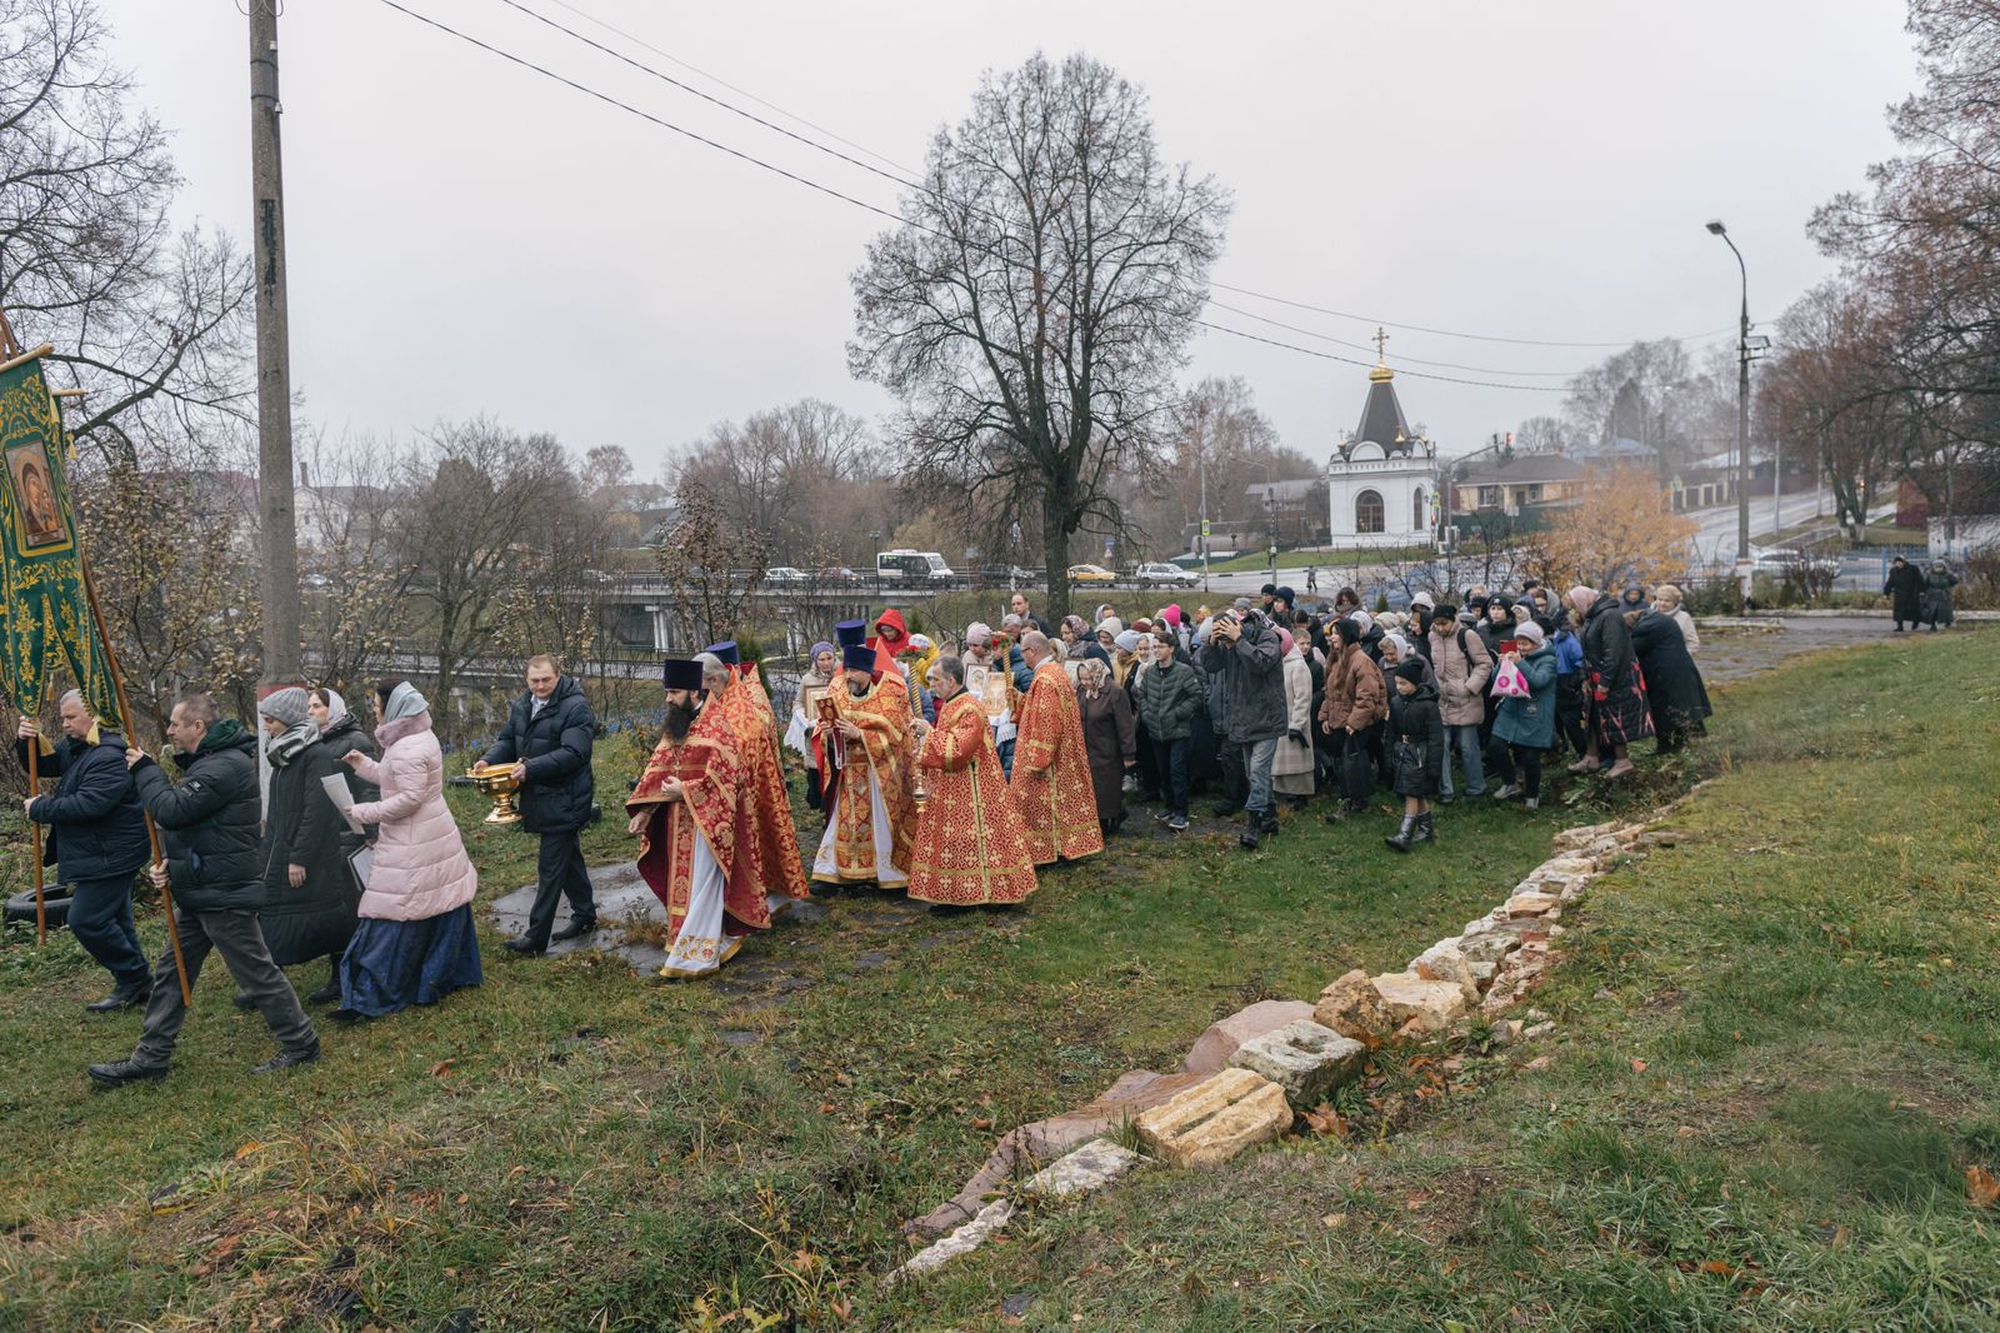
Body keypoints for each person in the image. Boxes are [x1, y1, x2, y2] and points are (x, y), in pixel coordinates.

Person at [95, 694, 318, 1086]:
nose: (169, 730)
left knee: (257, 973)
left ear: (198, 727)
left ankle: (301, 1044)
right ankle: (151, 1057)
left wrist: (147, 770)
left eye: (175, 724)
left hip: (224, 894)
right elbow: (200, 831)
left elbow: (172, 810)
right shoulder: (211, 763)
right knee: (171, 972)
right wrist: (173, 868)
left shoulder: (224, 767)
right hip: (203, 890)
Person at [334, 680, 482, 1016]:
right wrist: (364, 766)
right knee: (438, 904)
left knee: (399, 909)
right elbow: (397, 779)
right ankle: (439, 976)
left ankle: (381, 988)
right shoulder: (416, 737)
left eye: (376, 704)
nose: (374, 709)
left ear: (393, 707)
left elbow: (410, 797)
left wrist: (362, 812)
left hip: (414, 840)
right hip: (430, 832)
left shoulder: (406, 746)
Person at [628, 658, 771, 977]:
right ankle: (688, 942)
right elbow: (658, 767)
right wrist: (645, 810)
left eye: (674, 691)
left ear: (695, 691)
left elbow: (730, 779)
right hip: (677, 820)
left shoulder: (718, 727)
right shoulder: (676, 725)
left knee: (705, 884)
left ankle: (698, 956)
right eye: (667, 691)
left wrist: (688, 791)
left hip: (710, 824)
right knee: (685, 887)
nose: (668, 698)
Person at [18, 691, 152, 1011]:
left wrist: (41, 808)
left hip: (112, 853)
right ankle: (139, 983)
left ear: (94, 716)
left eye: (70, 717)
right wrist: (28, 741)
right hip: (103, 850)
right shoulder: (81, 748)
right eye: (63, 717)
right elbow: (46, 765)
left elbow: (90, 804)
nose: (64, 724)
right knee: (118, 918)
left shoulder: (108, 755)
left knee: (86, 919)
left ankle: (134, 976)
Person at [480, 655, 598, 956]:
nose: (541, 685)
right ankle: (585, 915)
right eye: (535, 680)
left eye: (546, 679)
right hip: (541, 795)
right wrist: (489, 760)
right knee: (567, 858)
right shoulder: (523, 705)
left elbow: (575, 752)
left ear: (558, 675)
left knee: (550, 868)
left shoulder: (576, 707)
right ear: (526, 680)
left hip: (567, 796)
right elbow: (509, 740)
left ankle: (535, 939)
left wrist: (531, 768)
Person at [907, 656, 1039, 908]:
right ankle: (955, 894)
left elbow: (958, 750)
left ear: (951, 680)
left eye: (935, 680)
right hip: (955, 787)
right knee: (955, 842)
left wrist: (929, 732)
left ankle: (984, 893)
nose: (931, 685)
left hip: (975, 790)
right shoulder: (950, 703)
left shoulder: (969, 708)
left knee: (974, 841)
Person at [252, 687, 355, 1007]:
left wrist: (299, 857)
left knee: (329, 920)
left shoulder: (316, 755)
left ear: (288, 719)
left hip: (309, 856)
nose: (267, 726)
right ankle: (268, 982)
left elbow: (317, 811)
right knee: (272, 914)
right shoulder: (284, 753)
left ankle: (339, 977)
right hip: (279, 851)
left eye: (271, 720)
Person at [700, 644, 810, 911]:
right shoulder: (723, 696)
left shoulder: (743, 703)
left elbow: (742, 746)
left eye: (699, 686)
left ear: (716, 679)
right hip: (741, 787)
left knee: (758, 842)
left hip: (753, 788)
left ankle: (755, 899)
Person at [812, 640, 917, 889]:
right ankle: (837, 871)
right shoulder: (838, 692)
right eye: (846, 670)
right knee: (844, 822)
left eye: (854, 671)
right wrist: (827, 731)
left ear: (867, 672)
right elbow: (822, 725)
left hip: (877, 775)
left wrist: (860, 734)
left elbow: (896, 736)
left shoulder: (888, 694)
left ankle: (884, 873)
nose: (848, 676)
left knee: (878, 826)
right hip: (847, 772)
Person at [1010, 631, 1106, 864]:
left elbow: (1047, 721)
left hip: (1049, 759)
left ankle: (1050, 851)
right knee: (1063, 804)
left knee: (1046, 804)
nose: (1022, 657)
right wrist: (1020, 700)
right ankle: (1065, 847)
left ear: (1032, 651)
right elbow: (1040, 710)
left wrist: (1038, 758)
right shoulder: (1055, 672)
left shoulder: (1045, 679)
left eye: (1023, 652)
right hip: (1065, 752)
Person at [1201, 604, 1286, 848]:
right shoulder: (1228, 644)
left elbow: (1261, 663)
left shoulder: (1266, 637)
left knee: (1258, 770)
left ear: (1238, 626)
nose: (1227, 645)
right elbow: (1210, 665)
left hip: (1268, 717)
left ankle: (1253, 824)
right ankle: (1270, 817)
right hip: (1243, 716)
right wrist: (1212, 644)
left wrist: (1238, 641)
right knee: (1254, 774)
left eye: (1226, 636)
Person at [1568, 586, 1648, 778]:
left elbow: (1614, 651)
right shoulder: (1594, 616)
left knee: (1615, 716)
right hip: (1596, 675)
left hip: (1616, 677)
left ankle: (1623, 761)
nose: (1574, 610)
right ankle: (1591, 757)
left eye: (1574, 606)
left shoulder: (1609, 615)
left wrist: (1606, 680)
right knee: (1594, 716)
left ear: (1584, 600)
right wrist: (1587, 677)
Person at [1320, 618, 1388, 820]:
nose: (1332, 637)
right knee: (1342, 762)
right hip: (1338, 720)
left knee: (1353, 764)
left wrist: (1354, 723)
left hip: (1353, 723)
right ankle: (1349, 799)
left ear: (1347, 636)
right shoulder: (1336, 659)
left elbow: (1367, 696)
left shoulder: (1361, 661)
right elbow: (1330, 692)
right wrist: (1325, 715)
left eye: (1337, 633)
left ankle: (1354, 802)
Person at [1136, 632, 1204, 831]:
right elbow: (1143, 696)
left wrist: (1177, 714)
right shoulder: (1150, 672)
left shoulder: (1184, 672)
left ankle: (1182, 812)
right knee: (1163, 770)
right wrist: (1148, 716)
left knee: (1177, 771)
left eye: (1160, 647)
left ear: (1171, 649)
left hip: (1178, 730)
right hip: (1156, 731)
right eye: (1154, 647)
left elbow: (1196, 697)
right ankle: (1169, 806)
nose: (1156, 650)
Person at [1490, 622, 1559, 809]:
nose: (1520, 648)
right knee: (1496, 745)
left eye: (1525, 644)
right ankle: (1510, 782)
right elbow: (1496, 680)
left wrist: (1520, 663)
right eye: (1518, 643)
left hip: (1534, 714)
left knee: (1531, 758)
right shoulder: (1516, 656)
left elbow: (1538, 681)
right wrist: (1501, 664)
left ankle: (1532, 797)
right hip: (1511, 711)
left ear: (1536, 643)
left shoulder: (1549, 661)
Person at [1427, 605, 1492, 801]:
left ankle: (1476, 787)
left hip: (1466, 699)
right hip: (1443, 699)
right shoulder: (1433, 637)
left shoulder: (1467, 635)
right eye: (1436, 624)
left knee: (1467, 747)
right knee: (1442, 746)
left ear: (1452, 620)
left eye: (1443, 623)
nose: (1440, 628)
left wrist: (1470, 686)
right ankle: (1446, 790)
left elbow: (1484, 663)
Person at [1628, 606, 1710, 755]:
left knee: (1661, 710)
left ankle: (1666, 746)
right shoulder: (1663, 621)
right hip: (1678, 670)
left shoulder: (1646, 629)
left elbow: (1632, 651)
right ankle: (1680, 744)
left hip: (1661, 674)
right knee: (1680, 707)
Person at [1384, 660, 1443, 853]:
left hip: (1420, 754)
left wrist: (1434, 765)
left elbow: (1436, 737)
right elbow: (1391, 730)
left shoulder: (1428, 706)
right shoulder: (1395, 702)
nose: (1399, 687)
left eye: (1404, 683)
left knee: (1411, 791)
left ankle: (1405, 834)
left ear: (1415, 683)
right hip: (1402, 752)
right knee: (1416, 792)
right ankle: (1427, 829)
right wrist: (1389, 755)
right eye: (1397, 683)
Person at [1074, 657, 1136, 836]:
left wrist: (1128, 754)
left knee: (1106, 789)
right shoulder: (1082, 690)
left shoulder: (1115, 692)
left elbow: (1125, 725)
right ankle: (1098, 822)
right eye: (1082, 678)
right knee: (1091, 788)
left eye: (1087, 678)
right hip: (1087, 748)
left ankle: (1110, 820)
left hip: (1107, 750)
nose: (1084, 682)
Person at [783, 641, 839, 814]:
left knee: (837, 771)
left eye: (829, 658)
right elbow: (798, 702)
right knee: (819, 773)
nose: (826, 662)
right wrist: (804, 717)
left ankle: (836, 809)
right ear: (815, 661)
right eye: (821, 659)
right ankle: (823, 808)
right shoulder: (808, 679)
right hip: (816, 734)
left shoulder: (841, 675)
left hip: (836, 734)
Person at [1272, 627, 1315, 806]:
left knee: (1297, 761)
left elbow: (1303, 697)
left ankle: (1300, 795)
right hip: (1281, 720)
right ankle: (1285, 792)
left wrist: (1297, 723)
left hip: (1294, 721)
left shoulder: (1298, 665)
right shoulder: (1282, 663)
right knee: (1283, 760)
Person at [1651, 585, 1700, 654]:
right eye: (1660, 599)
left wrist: (1680, 657)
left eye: (1667, 601)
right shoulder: (1649, 615)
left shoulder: (1684, 617)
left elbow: (1693, 644)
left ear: (1675, 602)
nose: (1662, 603)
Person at [1884, 556, 1925, 632]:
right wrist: (1886, 592)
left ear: (1904, 562)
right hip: (1899, 595)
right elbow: (1890, 582)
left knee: (1913, 610)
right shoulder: (1893, 571)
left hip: (1911, 594)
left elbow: (1919, 580)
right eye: (1896, 563)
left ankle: (1915, 623)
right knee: (1899, 612)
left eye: (1900, 562)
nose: (1898, 564)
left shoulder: (1913, 569)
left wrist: (1921, 591)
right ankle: (1900, 626)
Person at [1923, 561, 1959, 631]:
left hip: (1944, 596)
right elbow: (1926, 585)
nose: (1938, 569)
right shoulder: (1930, 575)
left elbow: (1955, 581)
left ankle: (1947, 621)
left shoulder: (1948, 575)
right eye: (1936, 567)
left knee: (1945, 611)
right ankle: (1933, 625)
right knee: (1933, 611)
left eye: (1940, 567)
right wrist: (1926, 593)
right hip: (1933, 596)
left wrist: (1948, 588)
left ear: (1943, 567)